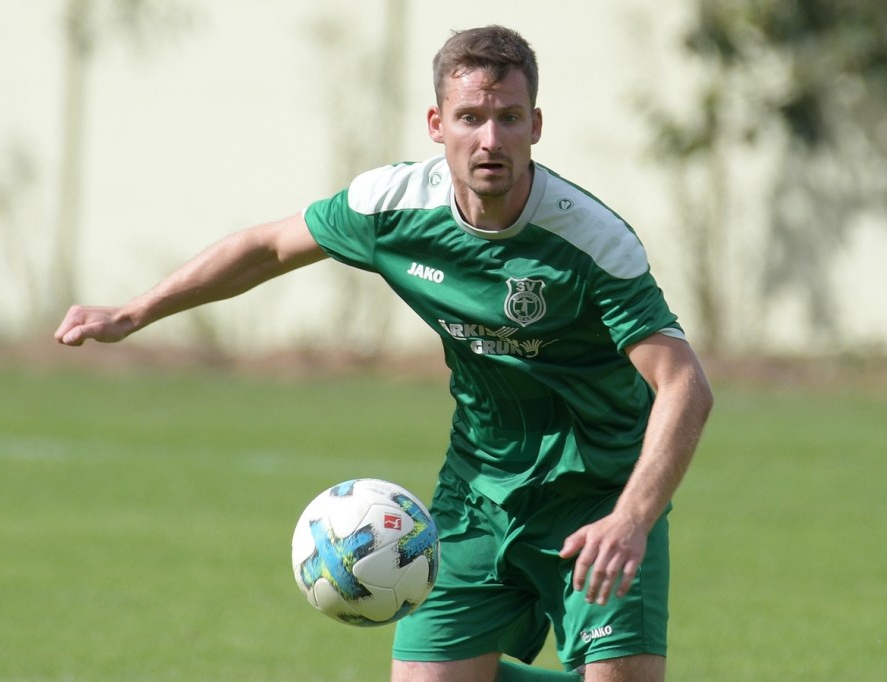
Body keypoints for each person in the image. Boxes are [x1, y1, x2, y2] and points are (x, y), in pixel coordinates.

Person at [55, 25, 713, 682]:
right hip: (476, 493)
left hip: (601, 494)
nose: (490, 139)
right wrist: (136, 312)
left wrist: (634, 517)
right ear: (436, 124)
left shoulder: (591, 240)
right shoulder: (394, 206)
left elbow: (685, 384)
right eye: (470, 117)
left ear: (535, 126)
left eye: (509, 118)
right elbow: (267, 248)